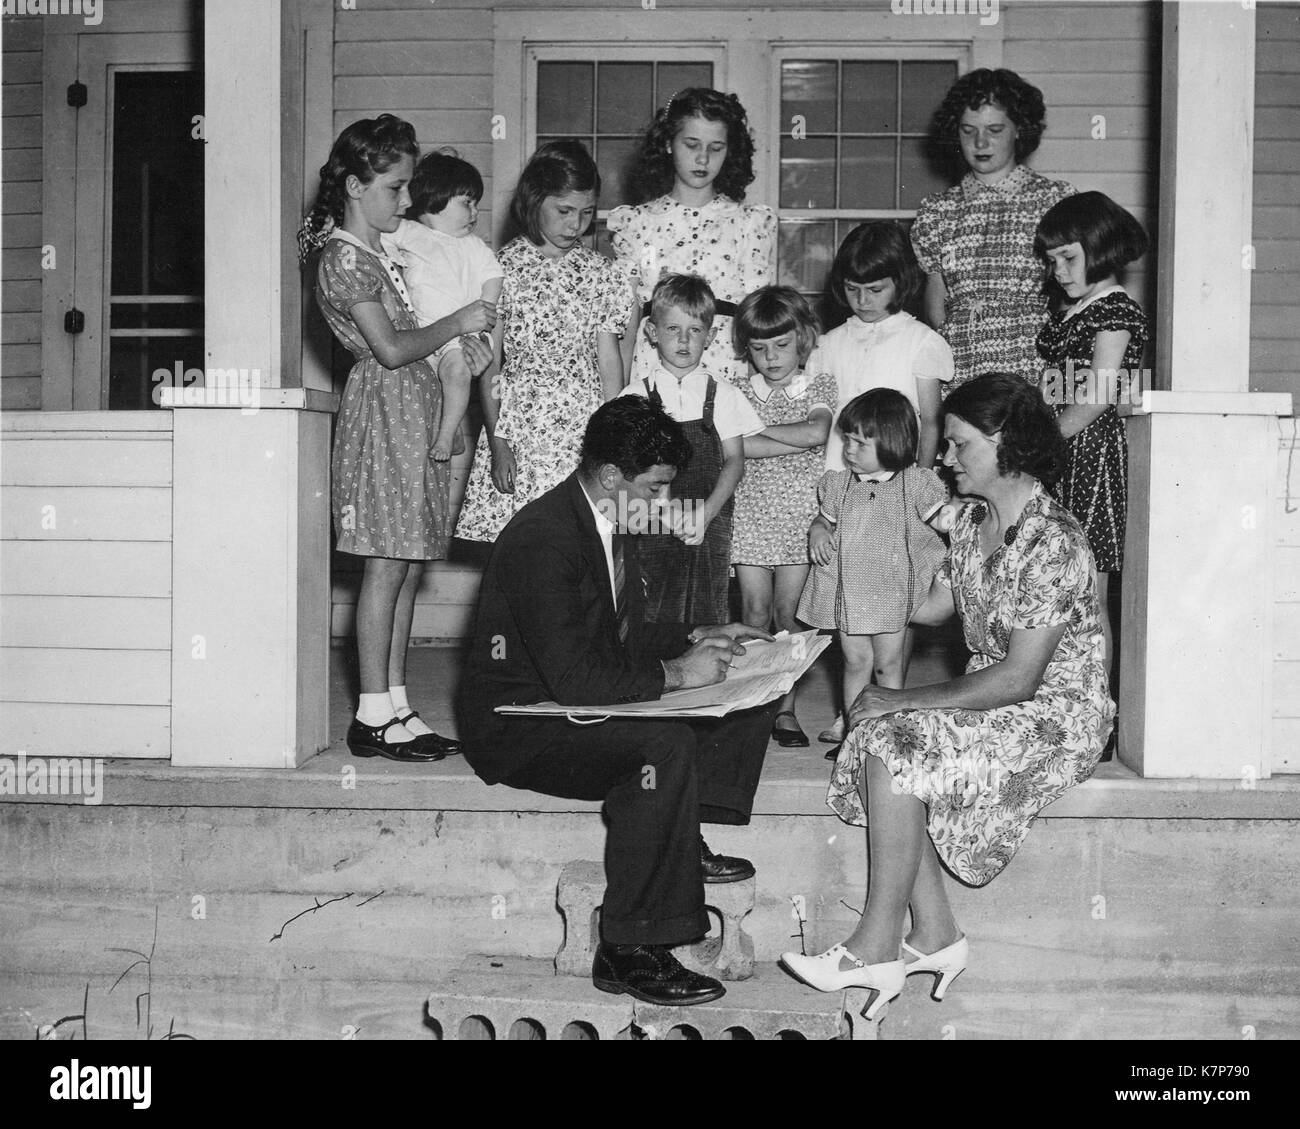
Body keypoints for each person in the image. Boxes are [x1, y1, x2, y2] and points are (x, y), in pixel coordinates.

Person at [781, 373, 1114, 1022]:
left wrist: (908, 700)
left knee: (895, 734)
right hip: (1000, 694)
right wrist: (858, 577)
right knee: (881, 736)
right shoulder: (971, 520)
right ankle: (932, 934)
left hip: (1055, 712)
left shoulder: (1057, 541)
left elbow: (1020, 678)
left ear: (1006, 443)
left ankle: (876, 945)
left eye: (961, 445)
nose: (946, 457)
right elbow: (936, 605)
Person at [458, 396, 781, 1007]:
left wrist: (700, 639)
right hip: (523, 725)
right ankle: (630, 946)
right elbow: (578, 679)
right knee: (660, 743)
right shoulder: (543, 539)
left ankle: (684, 838)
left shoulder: (608, 517)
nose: (664, 503)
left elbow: (616, 637)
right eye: (656, 488)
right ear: (611, 476)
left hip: (570, 692)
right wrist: (678, 675)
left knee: (748, 687)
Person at [298, 115, 495, 762]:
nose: (408, 201)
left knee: (407, 564)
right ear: (355, 186)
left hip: (417, 410)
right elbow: (388, 349)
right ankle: (370, 714)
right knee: (384, 566)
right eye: (395, 187)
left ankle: (400, 705)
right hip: (384, 411)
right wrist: (458, 321)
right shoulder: (342, 258)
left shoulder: (385, 252)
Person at [455, 140, 633, 544]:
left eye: (587, 213)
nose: (576, 226)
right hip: (521, 428)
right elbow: (492, 363)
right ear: (535, 201)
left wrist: (616, 441)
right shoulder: (500, 267)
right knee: (526, 546)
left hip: (582, 429)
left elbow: (609, 362)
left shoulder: (600, 273)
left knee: (582, 542)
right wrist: (500, 441)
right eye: (564, 211)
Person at [797, 390, 948, 761]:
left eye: (860, 443)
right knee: (855, 663)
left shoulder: (915, 484)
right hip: (850, 594)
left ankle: (890, 735)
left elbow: (944, 520)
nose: (849, 449)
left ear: (893, 441)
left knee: (888, 665)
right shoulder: (840, 484)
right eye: (847, 438)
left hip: (892, 594)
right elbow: (824, 518)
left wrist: (965, 514)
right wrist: (818, 529)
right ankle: (855, 734)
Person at [1035, 191, 1150, 676]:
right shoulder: (1073, 309)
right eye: (1051, 260)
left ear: (1100, 250)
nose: (1058, 271)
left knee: (1090, 586)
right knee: (1060, 579)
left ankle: (1096, 705)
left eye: (1067, 258)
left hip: (1091, 451)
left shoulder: (1114, 311)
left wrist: (1038, 444)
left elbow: (1099, 394)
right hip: (1063, 447)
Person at [911, 68, 1075, 387]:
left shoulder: (1053, 200)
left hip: (1033, 358)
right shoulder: (937, 211)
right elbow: (936, 302)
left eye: (995, 129)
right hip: (960, 360)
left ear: (1019, 130)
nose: (980, 142)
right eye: (968, 130)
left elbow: (1071, 294)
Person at [619, 274, 764, 626]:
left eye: (695, 330)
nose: (684, 340)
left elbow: (734, 460)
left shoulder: (725, 394)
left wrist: (707, 512)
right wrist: (663, 513)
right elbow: (628, 470)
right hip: (652, 519)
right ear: (652, 332)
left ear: (711, 336)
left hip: (709, 517)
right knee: (654, 610)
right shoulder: (635, 396)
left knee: (708, 611)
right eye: (672, 329)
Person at [609, 87, 776, 387]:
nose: (703, 158)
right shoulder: (637, 223)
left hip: (726, 375)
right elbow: (626, 325)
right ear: (669, 144)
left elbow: (758, 324)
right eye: (691, 144)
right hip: (653, 372)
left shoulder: (748, 224)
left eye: (716, 148)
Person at [730, 286, 837, 748]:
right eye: (759, 348)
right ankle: (754, 704)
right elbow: (730, 447)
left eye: (781, 346)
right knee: (753, 612)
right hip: (749, 515)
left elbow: (817, 431)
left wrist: (751, 434)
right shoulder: (735, 390)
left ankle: (785, 709)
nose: (771, 358)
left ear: (804, 340)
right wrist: (760, 439)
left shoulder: (819, 385)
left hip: (798, 516)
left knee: (787, 614)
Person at [382, 149, 504, 462]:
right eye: (467, 202)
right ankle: (445, 428)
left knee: (458, 373)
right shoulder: (410, 232)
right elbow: (378, 244)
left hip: (455, 339)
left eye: (476, 203)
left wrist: (483, 316)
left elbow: (493, 276)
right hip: (418, 335)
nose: (475, 212)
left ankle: (448, 435)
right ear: (437, 199)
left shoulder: (473, 246)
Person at [813, 222, 950, 476]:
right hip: (839, 471)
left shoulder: (921, 340)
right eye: (852, 289)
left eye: (875, 290)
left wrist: (921, 480)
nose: (862, 301)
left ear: (901, 281)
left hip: (896, 473)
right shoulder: (828, 345)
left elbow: (931, 420)